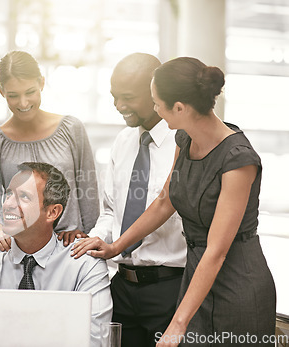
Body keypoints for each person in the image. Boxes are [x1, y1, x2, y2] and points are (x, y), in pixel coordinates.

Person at [73, 57, 276, 346]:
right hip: (196, 281)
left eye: (157, 103)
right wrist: (115, 247)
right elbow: (163, 202)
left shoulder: (238, 159)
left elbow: (217, 251)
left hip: (237, 285)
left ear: (179, 108)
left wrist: (178, 323)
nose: (155, 110)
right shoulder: (184, 139)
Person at [82, 53, 186, 347]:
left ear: (155, 94)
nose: (119, 106)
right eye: (114, 97)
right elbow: (111, 211)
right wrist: (96, 238)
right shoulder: (123, 141)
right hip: (123, 288)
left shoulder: (183, 143)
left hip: (170, 288)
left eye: (127, 97)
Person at [0, 162, 112, 347]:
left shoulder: (85, 264)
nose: (8, 204)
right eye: (9, 194)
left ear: (53, 212)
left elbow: (96, 339)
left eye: (24, 197)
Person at [0, 50, 99, 251]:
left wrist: (88, 236)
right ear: (1, 91)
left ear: (42, 82)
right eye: (13, 96)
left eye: (30, 92)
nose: (23, 103)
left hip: (70, 248)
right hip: (19, 248)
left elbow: (88, 193)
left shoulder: (71, 129)